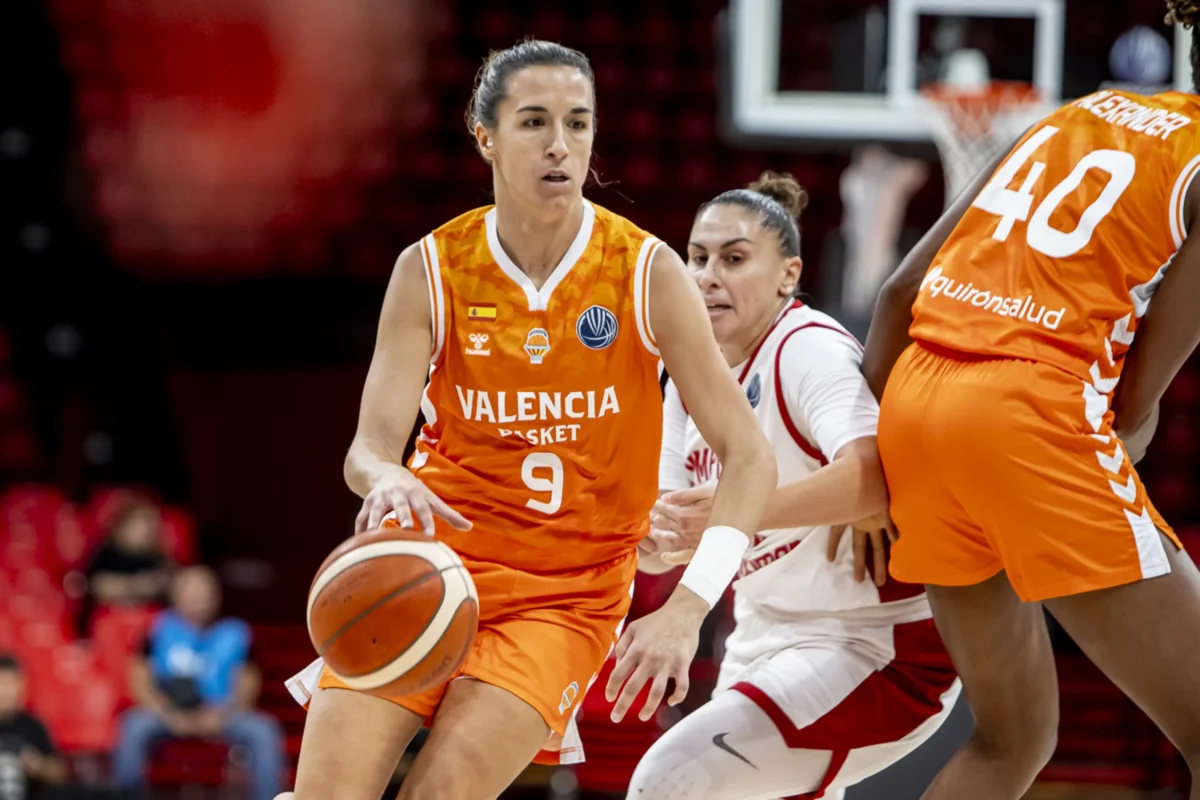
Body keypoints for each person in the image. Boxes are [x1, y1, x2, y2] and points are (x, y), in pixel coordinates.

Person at [280, 39, 777, 800]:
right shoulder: (432, 269)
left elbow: (749, 456)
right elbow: (368, 449)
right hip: (429, 565)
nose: (560, 145)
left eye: (579, 124)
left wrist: (688, 605)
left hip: (565, 595)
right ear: (486, 136)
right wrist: (384, 477)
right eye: (535, 122)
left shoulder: (644, 272)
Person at [861, 4, 1200, 798]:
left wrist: (868, 473)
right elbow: (1138, 395)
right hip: (1028, 411)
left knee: (1011, 739)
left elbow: (898, 292)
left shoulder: (1073, 116)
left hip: (913, 402)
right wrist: (1118, 433)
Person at [625, 173, 960, 800]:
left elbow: (870, 479)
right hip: (763, 636)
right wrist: (643, 538)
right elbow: (671, 539)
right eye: (698, 258)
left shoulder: (806, 348)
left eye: (733, 258)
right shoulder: (686, 382)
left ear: (788, 274)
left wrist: (735, 516)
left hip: (876, 646)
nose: (707, 276)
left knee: (669, 780)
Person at [112, 566, 283, 800]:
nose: (199, 598)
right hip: (167, 713)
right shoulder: (158, 628)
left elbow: (248, 680)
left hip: (220, 714)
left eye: (205, 591)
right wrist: (167, 712)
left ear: (217, 596)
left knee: (264, 730)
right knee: (134, 726)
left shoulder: (236, 633)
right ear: (176, 595)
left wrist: (222, 714)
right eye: (192, 591)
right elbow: (140, 677)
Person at [80, 500, 173, 634]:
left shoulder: (160, 559)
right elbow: (100, 588)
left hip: (151, 627)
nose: (145, 531)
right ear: (122, 525)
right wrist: (139, 586)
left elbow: (166, 587)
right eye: (138, 524)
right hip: (109, 623)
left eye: (150, 525)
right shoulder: (106, 553)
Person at [0, 655, 66, 800]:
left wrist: (37, 765)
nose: (5, 691)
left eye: (10, 684)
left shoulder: (33, 726)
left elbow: (59, 772)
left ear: (22, 685)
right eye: (1, 684)